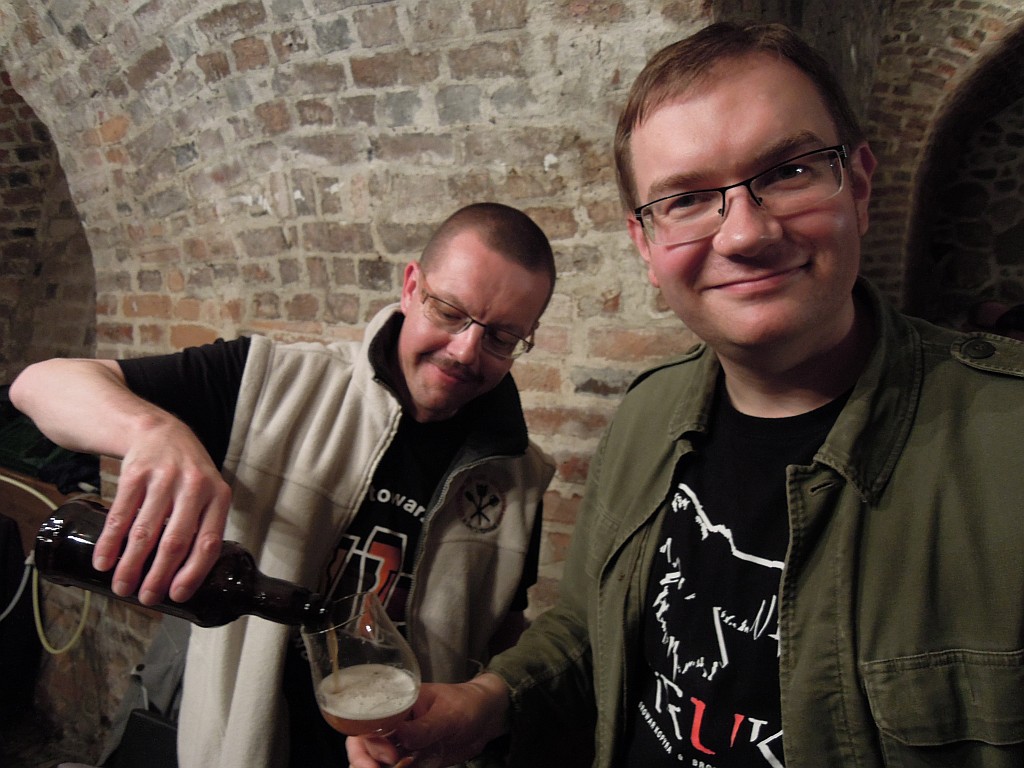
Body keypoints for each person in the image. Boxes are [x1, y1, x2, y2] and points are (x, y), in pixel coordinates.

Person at [349, 21, 1024, 768]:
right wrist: (486, 702)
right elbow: (588, 627)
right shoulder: (647, 416)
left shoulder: (1005, 448)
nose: (743, 235)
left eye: (789, 172)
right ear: (645, 244)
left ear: (858, 187)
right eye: (686, 200)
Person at [10, 202, 558, 768]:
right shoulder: (271, 381)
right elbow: (40, 384)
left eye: (501, 337)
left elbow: (501, 633)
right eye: (448, 311)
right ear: (411, 287)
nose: (465, 351)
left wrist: (468, 728)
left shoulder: (519, 474)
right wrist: (152, 431)